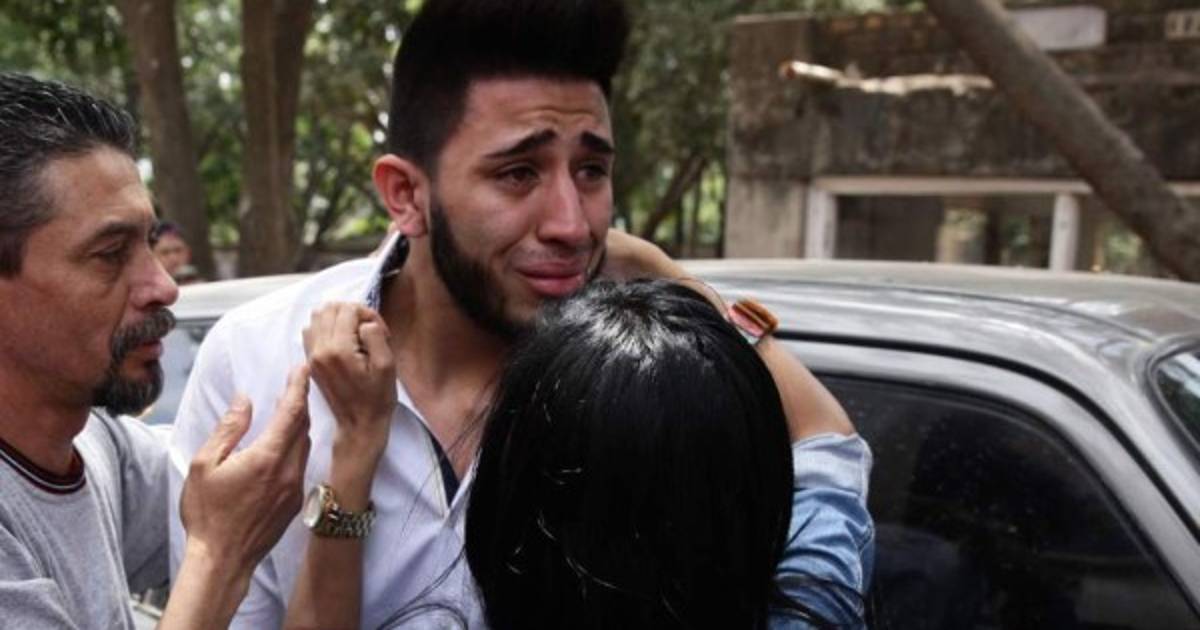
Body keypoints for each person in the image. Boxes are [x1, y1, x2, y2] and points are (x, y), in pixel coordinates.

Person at [168, 0, 631, 626]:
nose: (571, 225)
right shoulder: (257, 363)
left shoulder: (640, 376)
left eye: (592, 171)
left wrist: (675, 281)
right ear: (407, 194)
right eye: (519, 173)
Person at [295, 276, 873, 628]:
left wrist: (357, 443)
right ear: (760, 510)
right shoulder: (811, 609)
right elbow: (827, 439)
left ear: (501, 513)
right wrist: (664, 272)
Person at [0, 72, 311, 629]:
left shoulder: (96, 447)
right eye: (109, 254)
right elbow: (219, 526)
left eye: (148, 242)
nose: (163, 286)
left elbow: (243, 478)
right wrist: (216, 555)